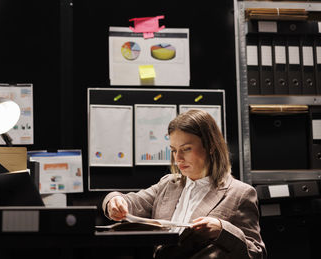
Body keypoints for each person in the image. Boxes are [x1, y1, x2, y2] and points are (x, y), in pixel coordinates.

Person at [102, 109, 266, 259]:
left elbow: (256, 253)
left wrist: (223, 230)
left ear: (210, 146)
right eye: (173, 150)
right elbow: (132, 202)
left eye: (186, 149)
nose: (178, 158)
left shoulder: (241, 193)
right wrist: (114, 201)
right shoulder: (168, 184)